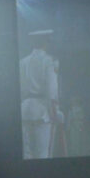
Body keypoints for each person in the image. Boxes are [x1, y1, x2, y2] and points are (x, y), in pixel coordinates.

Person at [20, 30, 61, 159]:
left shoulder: (23, 62)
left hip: (25, 109)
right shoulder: (49, 61)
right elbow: (51, 90)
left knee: (27, 154)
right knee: (43, 154)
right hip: (42, 111)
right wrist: (53, 111)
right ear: (45, 42)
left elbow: (21, 89)